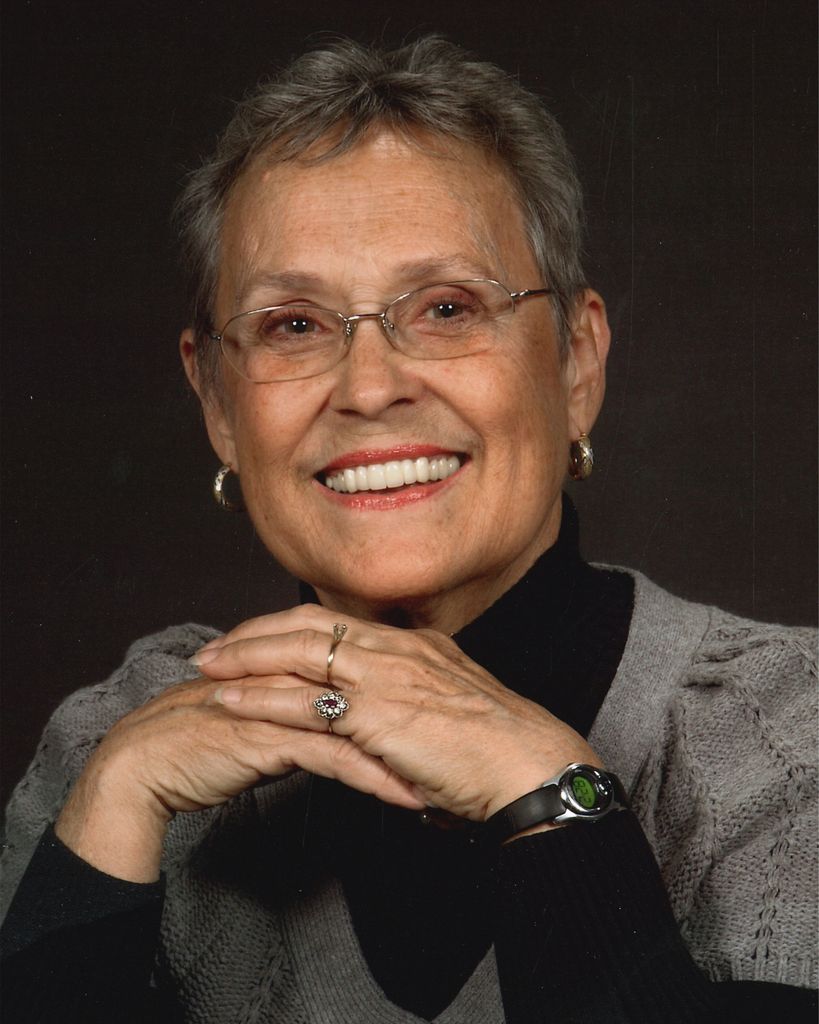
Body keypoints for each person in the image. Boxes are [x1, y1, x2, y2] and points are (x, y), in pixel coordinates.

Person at [1, 36, 816, 1024]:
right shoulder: (109, 746)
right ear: (218, 402)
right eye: (293, 324)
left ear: (576, 363)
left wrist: (546, 794)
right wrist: (110, 810)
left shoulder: (789, 733)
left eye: (446, 307)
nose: (370, 387)